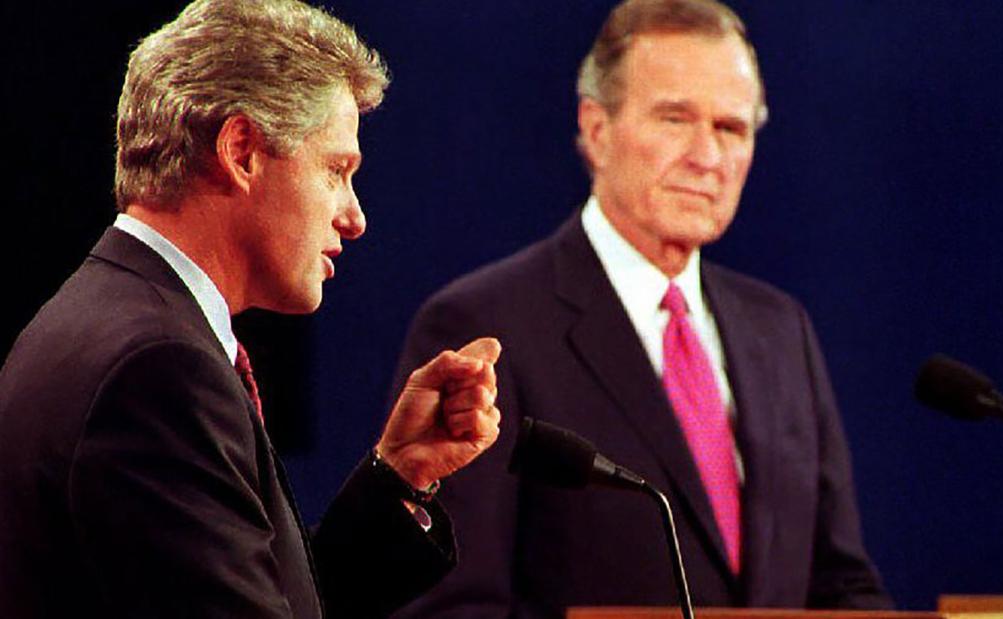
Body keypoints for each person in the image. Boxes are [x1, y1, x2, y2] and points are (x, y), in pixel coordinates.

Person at [0, 1, 502, 617]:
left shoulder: (108, 319)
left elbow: (254, 592)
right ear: (241, 151)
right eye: (336, 170)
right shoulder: (157, 369)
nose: (355, 217)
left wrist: (399, 473)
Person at [389, 0, 891, 616]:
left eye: (731, 128)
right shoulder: (485, 325)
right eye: (675, 119)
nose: (707, 157)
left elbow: (842, 585)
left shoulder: (780, 329)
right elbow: (455, 606)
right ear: (597, 130)